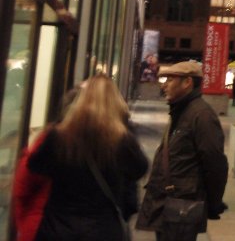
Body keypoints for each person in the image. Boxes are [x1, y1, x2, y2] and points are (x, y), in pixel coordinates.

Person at [24, 75, 149, 241]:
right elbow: (140, 169)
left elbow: (35, 165)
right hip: (103, 230)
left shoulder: (59, 135)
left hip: (58, 228)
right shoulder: (122, 139)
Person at [136, 61, 229, 241]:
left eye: (170, 80)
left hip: (181, 207)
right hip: (168, 204)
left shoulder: (201, 116)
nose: (164, 85)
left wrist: (213, 203)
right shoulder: (181, 111)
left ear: (187, 83)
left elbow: (215, 164)